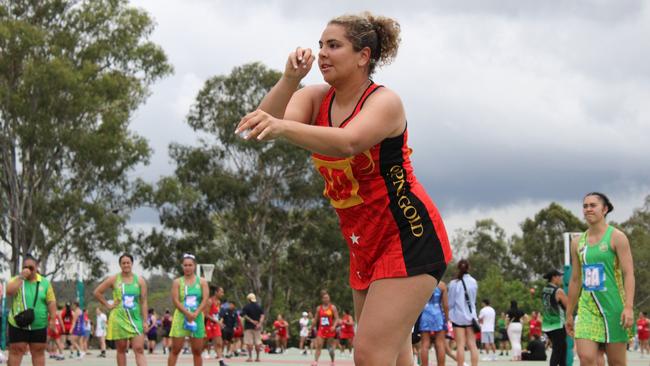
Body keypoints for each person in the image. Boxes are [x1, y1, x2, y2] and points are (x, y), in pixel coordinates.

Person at [235, 12, 453, 366]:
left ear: (363, 56)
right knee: (394, 355)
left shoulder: (384, 102)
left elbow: (348, 142)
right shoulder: (317, 97)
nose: (322, 53)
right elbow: (263, 124)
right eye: (321, 44)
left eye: (334, 45)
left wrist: (282, 128)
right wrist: (290, 79)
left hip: (408, 236)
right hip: (364, 242)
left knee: (368, 355)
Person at [566, 192, 635, 366]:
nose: (588, 209)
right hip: (588, 308)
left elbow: (629, 274)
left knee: (616, 362)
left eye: (593, 205)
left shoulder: (617, 238)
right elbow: (575, 279)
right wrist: (568, 312)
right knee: (586, 358)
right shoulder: (577, 243)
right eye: (585, 206)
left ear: (604, 209)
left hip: (614, 307)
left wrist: (628, 307)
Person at [93, 253, 149, 366]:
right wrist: (108, 305)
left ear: (132, 264)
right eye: (123, 263)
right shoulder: (114, 279)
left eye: (128, 262)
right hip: (119, 319)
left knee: (139, 349)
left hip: (135, 319)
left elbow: (143, 302)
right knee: (121, 350)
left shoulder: (140, 281)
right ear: (120, 265)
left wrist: (145, 321)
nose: (126, 265)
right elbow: (97, 292)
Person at [5, 255, 58, 366]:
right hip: (18, 324)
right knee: (15, 351)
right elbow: (9, 291)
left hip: (39, 326)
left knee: (38, 353)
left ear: (37, 267)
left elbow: (51, 302)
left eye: (31, 267)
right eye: (25, 267)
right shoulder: (17, 280)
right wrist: (21, 277)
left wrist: (53, 320)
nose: (28, 270)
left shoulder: (45, 283)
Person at [167, 253, 210, 366]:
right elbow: (175, 300)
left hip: (196, 317)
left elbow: (205, 299)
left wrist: (196, 313)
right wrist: (186, 313)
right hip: (181, 316)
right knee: (176, 349)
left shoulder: (202, 282)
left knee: (197, 350)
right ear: (182, 266)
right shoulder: (177, 282)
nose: (188, 267)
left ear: (194, 266)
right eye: (185, 265)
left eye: (190, 265)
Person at [448, 259, 479, 366]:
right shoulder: (473, 282)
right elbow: (473, 300)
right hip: (471, 317)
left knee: (460, 345)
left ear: (458, 268)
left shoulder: (453, 283)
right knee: (472, 345)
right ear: (468, 268)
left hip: (457, 317)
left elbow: (450, 302)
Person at [419, 281, 450, 366]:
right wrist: (447, 320)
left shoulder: (423, 283)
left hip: (425, 314)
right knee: (440, 344)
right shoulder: (442, 285)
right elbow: (446, 306)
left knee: (425, 344)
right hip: (438, 314)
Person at [542, 269, 568, 366]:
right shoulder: (558, 291)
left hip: (547, 325)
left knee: (562, 350)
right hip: (558, 325)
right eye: (559, 276)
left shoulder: (544, 290)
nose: (561, 278)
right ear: (554, 277)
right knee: (557, 352)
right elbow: (568, 305)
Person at [313, 290, 339, 366]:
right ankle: (315, 362)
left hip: (330, 330)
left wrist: (334, 326)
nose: (326, 299)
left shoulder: (333, 307)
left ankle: (332, 361)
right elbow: (315, 319)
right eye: (324, 298)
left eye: (327, 297)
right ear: (322, 299)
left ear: (329, 298)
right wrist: (310, 328)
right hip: (321, 330)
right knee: (319, 345)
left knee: (330, 348)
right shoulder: (319, 308)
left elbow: (337, 318)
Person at [204, 286, 227, 366]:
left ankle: (221, 361)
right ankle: (203, 352)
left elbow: (216, 314)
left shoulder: (219, 302)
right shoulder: (209, 301)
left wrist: (220, 321)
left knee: (219, 343)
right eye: (221, 292)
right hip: (209, 324)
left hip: (216, 324)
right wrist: (217, 321)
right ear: (216, 292)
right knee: (205, 341)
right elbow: (206, 314)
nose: (222, 294)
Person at [241, 293, 265, 362]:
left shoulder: (246, 306)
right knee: (258, 342)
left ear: (248, 299)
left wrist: (251, 321)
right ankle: (257, 357)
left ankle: (250, 357)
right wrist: (259, 324)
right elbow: (262, 316)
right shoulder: (259, 306)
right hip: (257, 327)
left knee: (249, 343)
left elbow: (243, 315)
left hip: (248, 327)